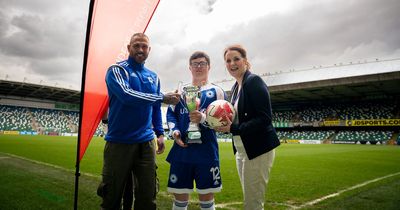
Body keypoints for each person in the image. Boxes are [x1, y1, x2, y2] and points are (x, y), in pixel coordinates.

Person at [97, 32, 180, 210]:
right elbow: (127, 96)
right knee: (111, 196)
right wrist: (161, 97)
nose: (140, 49)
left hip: (145, 142)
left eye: (144, 46)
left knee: (148, 196)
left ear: (149, 50)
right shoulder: (117, 70)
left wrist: (159, 133)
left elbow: (156, 108)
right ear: (129, 48)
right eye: (136, 45)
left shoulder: (154, 76)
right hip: (120, 142)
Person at [215, 44, 280, 210]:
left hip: (258, 150)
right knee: (249, 197)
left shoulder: (253, 81)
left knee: (253, 202)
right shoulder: (236, 87)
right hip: (242, 150)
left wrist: (233, 129)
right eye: (228, 61)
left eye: (236, 59)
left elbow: (264, 118)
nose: (232, 63)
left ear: (245, 61)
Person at [166, 51, 226, 210]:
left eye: (202, 63)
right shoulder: (180, 91)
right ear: (190, 67)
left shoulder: (217, 91)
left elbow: (224, 122)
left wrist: (204, 119)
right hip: (182, 151)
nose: (199, 66)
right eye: (195, 64)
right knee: (179, 198)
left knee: (207, 198)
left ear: (209, 66)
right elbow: (171, 114)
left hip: (206, 152)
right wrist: (175, 132)